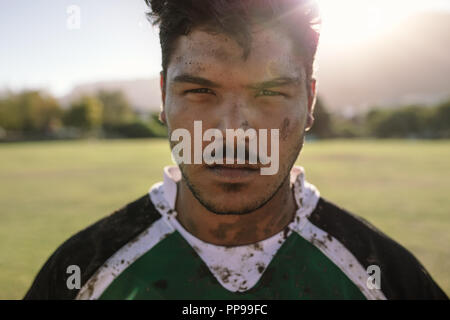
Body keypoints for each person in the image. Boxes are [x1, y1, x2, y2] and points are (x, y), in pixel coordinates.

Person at [24, 0, 447, 300]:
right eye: (199, 90)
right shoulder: (81, 273)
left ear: (310, 101)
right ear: (163, 98)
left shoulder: (386, 278)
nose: (232, 131)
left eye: (269, 93)